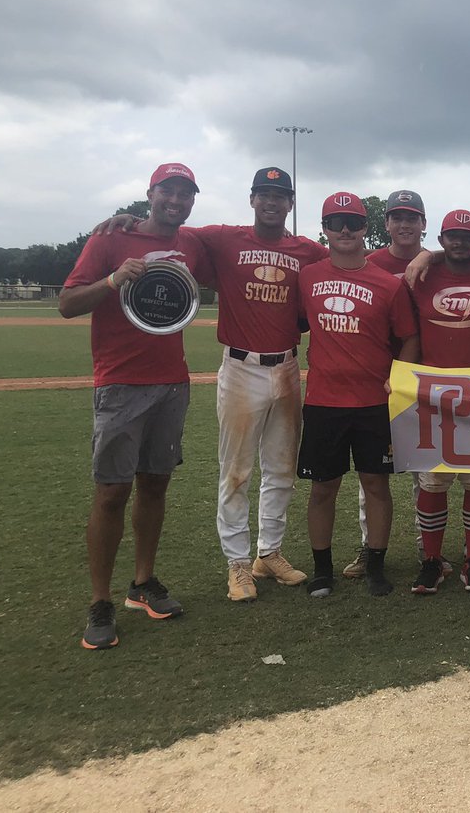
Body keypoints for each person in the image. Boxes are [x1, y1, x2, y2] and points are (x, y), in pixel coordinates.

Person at [61, 163, 214, 650]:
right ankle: (99, 601)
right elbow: (67, 303)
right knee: (111, 492)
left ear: (192, 201)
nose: (176, 200)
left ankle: (142, 583)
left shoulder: (191, 243)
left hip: (172, 383)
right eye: (168, 191)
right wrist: (112, 280)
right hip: (120, 383)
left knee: (154, 485)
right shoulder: (110, 238)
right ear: (150, 194)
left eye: (185, 194)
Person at [194, 168, 328, 602]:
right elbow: (174, 233)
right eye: (264, 194)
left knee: (282, 468)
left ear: (290, 203)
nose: (272, 202)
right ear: (252, 199)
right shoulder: (225, 237)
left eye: (280, 195)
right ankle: (237, 562)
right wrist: (129, 223)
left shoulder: (307, 249)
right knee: (236, 470)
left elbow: (348, 263)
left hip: (286, 366)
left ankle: (268, 553)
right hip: (241, 367)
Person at [296, 192, 419, 598]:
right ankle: (322, 570)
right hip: (323, 401)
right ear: (325, 229)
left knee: (376, 484)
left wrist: (399, 375)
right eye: (336, 222)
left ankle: (376, 566)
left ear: (366, 227)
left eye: (353, 221)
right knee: (322, 487)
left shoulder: (387, 284)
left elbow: (409, 337)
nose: (345, 229)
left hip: (372, 403)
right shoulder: (307, 277)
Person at [408, 210, 470, 594]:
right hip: (432, 390)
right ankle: (432, 560)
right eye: (452, 235)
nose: (459, 242)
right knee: (433, 480)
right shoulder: (422, 276)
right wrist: (427, 256)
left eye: (467, 236)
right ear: (441, 238)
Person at [348, 189, 428, 578]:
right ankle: (370, 547)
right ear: (387, 223)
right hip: (379, 378)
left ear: (423, 224)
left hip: (426, 375)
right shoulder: (371, 262)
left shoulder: (438, 262)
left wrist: (434, 254)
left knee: (424, 469)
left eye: (412, 217)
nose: (404, 224)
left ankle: (427, 546)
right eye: (398, 217)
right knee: (372, 471)